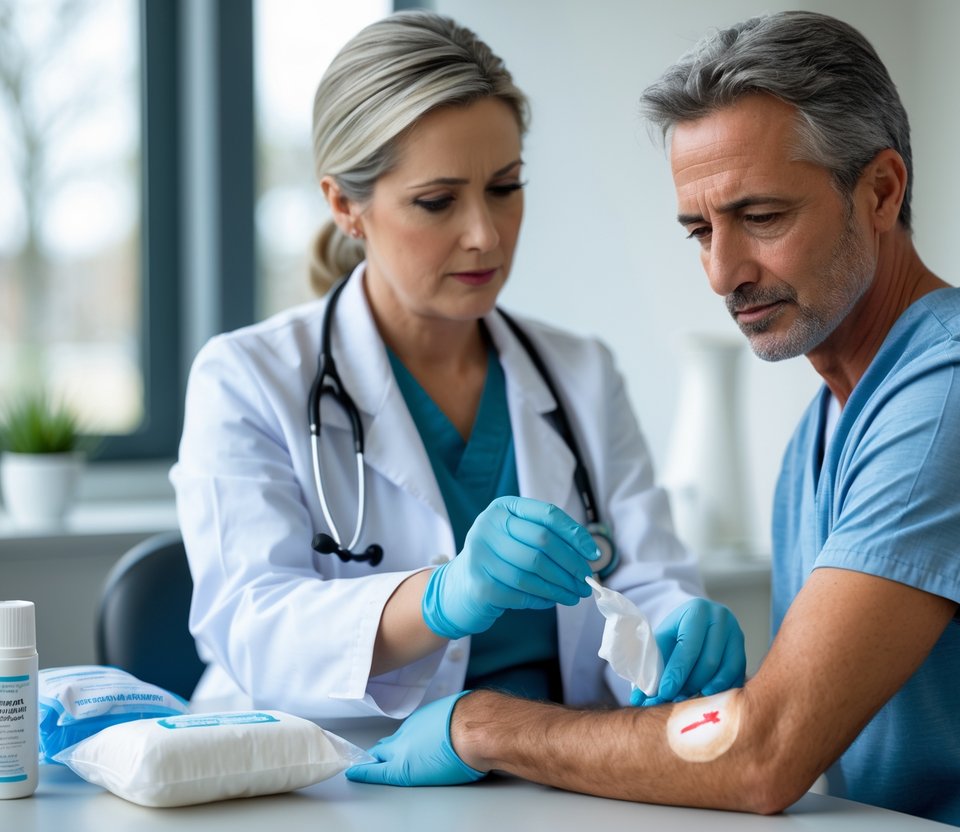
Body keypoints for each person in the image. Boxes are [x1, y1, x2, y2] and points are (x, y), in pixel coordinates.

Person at [343, 11, 960, 832]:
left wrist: (483, 727)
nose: (721, 272)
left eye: (761, 218)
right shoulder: (833, 415)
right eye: (699, 230)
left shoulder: (958, 402)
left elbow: (761, 756)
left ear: (880, 191)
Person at [170, 11, 746, 721]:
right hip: (332, 783)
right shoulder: (248, 378)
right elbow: (251, 628)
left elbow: (644, 582)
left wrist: (675, 630)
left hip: (554, 777)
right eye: (437, 201)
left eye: (504, 187)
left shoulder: (581, 374)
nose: (484, 234)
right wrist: (441, 598)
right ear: (345, 205)